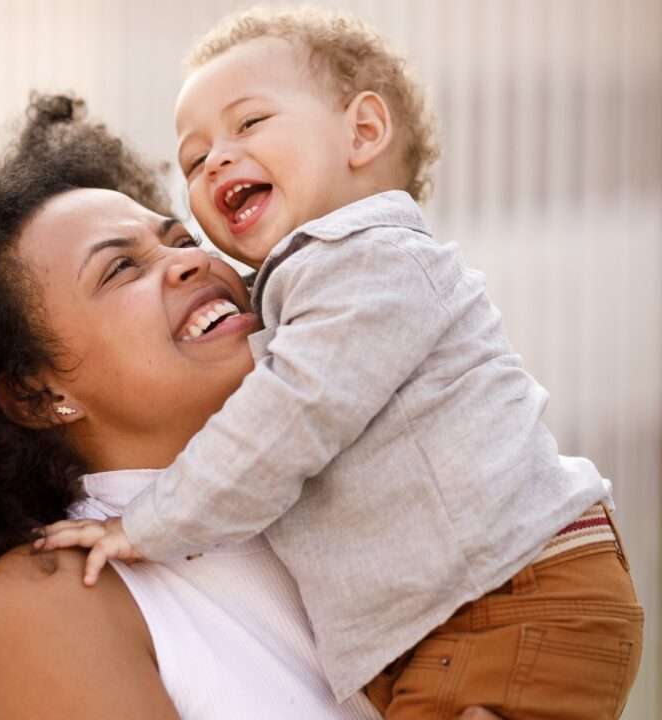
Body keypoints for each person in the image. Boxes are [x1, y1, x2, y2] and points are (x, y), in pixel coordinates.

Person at [0, 95, 515, 719]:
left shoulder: (358, 479)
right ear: (39, 394)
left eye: (180, 238)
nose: (193, 260)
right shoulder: (58, 595)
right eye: (122, 268)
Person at [37, 7, 644, 719]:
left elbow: (290, 417)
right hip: (479, 607)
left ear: (362, 131)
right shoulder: (314, 287)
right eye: (195, 159)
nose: (217, 160)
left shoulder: (367, 263)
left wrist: (142, 527)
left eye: (249, 123)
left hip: (504, 599)